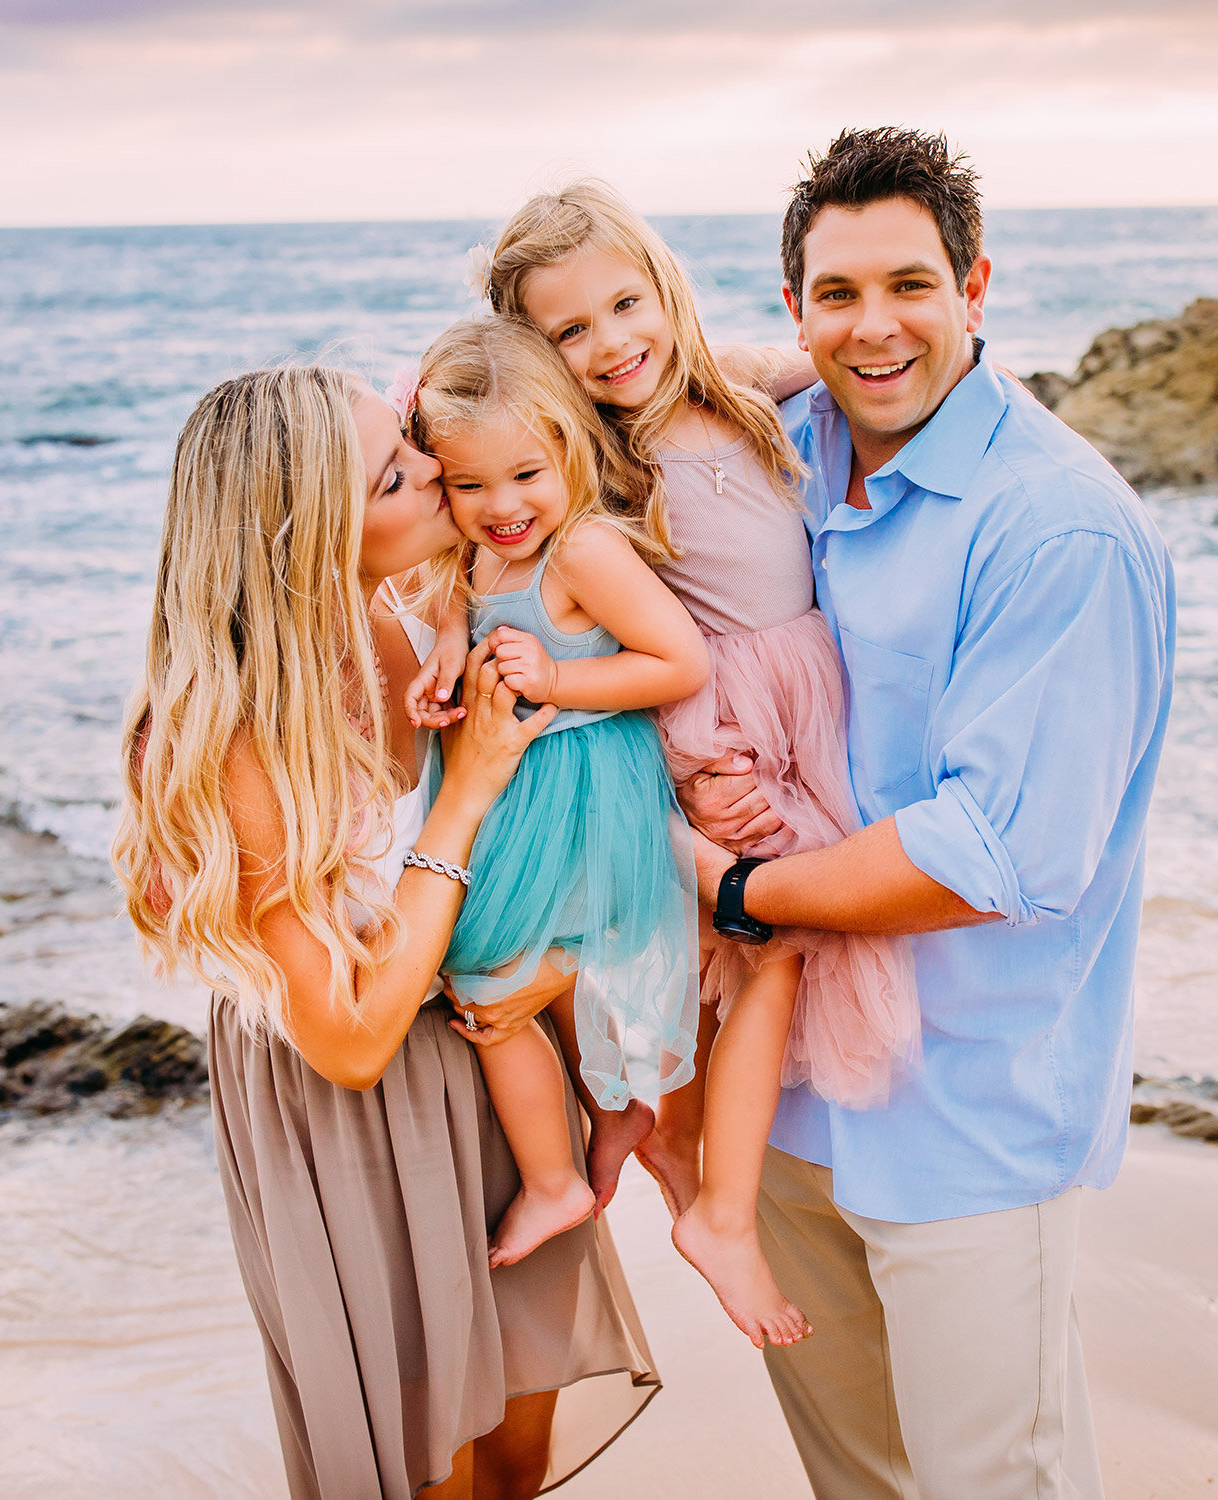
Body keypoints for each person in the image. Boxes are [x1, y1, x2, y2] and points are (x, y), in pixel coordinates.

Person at [683, 127, 1176, 1498]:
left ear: (976, 286)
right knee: (862, 1484)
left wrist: (731, 894)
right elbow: (552, 403)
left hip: (968, 1104)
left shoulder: (1057, 527)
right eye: (835, 295)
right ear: (793, 310)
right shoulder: (768, 455)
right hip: (782, 1100)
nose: (873, 325)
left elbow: (991, 855)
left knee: (992, 1486)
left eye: (909, 283)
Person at [111, 366, 659, 1500]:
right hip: (349, 1117)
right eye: (399, 472)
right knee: (430, 1473)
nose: (439, 483)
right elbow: (351, 1037)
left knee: (517, 1457)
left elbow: (549, 857)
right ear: (308, 526)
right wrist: (462, 797)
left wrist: (560, 979)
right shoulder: (235, 736)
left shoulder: (414, 630)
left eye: (415, 448)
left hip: (485, 1058)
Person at [444, 180, 922, 1352]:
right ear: (541, 359)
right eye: (571, 332)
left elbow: (826, 350)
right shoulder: (603, 464)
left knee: (748, 950)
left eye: (625, 303)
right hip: (724, 726)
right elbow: (510, 542)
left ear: (664, 286)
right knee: (767, 944)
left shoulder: (734, 382)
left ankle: (649, 1143)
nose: (612, 344)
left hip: (808, 701)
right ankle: (708, 1203)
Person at [407, 314, 707, 1270]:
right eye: (469, 483)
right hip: (515, 795)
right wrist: (450, 652)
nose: (501, 505)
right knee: (518, 976)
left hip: (583, 795)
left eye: (525, 475)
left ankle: (555, 1182)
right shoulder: (473, 549)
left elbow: (679, 661)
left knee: (484, 981)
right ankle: (614, 1117)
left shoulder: (580, 552)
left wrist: (558, 679)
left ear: (568, 446)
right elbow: (461, 601)